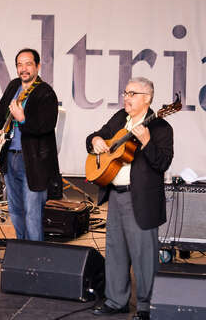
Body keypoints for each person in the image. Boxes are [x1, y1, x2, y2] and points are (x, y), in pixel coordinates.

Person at [88, 77, 173, 320]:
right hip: (115, 195)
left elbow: (162, 163)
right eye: (125, 92)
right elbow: (96, 136)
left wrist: (146, 142)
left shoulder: (161, 128)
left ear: (147, 99)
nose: (126, 97)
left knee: (144, 255)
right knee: (115, 251)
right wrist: (95, 141)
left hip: (141, 199)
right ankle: (116, 300)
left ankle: (147, 306)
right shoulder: (118, 119)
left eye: (132, 93)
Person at [0, 48, 60, 241]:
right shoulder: (13, 86)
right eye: (20, 65)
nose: (24, 69)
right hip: (10, 156)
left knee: (32, 213)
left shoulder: (46, 93)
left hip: (34, 162)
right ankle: (21, 252)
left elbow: (46, 126)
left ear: (37, 66)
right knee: (16, 211)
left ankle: (35, 259)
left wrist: (22, 119)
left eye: (28, 64)